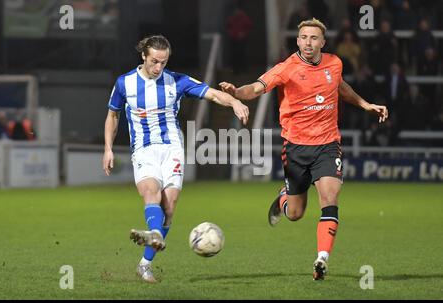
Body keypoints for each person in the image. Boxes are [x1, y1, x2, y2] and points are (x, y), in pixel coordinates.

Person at [219, 18, 388, 281]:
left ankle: (322, 259)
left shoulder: (335, 63)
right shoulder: (286, 68)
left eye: (313, 38)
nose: (308, 43)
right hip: (296, 148)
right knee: (295, 214)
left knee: (330, 198)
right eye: (303, 38)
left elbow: (339, 87)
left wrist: (365, 104)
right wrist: (237, 92)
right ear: (297, 40)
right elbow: (256, 87)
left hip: (328, 145)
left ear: (323, 42)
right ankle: (284, 197)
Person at [102, 35, 249, 283]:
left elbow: (212, 94)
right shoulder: (124, 83)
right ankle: (156, 235)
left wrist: (234, 101)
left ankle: (145, 263)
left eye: (164, 62)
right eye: (155, 61)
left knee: (169, 206)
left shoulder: (177, 81)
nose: (159, 67)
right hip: (144, 148)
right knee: (151, 192)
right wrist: (108, 148)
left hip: (172, 148)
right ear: (144, 56)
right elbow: (113, 116)